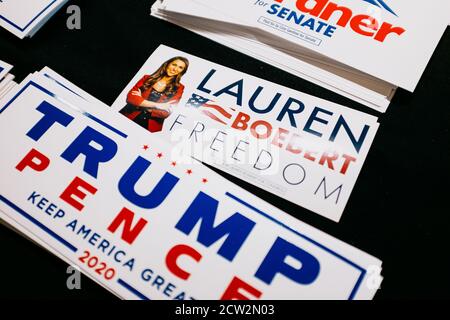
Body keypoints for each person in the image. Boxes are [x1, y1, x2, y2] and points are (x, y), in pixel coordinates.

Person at [120, 56, 189, 132]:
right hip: (128, 116)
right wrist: (158, 106)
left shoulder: (179, 88)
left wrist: (140, 101)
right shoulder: (147, 78)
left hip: (150, 127)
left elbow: (166, 112)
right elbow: (131, 98)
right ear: (167, 64)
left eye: (180, 67)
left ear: (182, 71)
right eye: (174, 64)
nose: (175, 69)